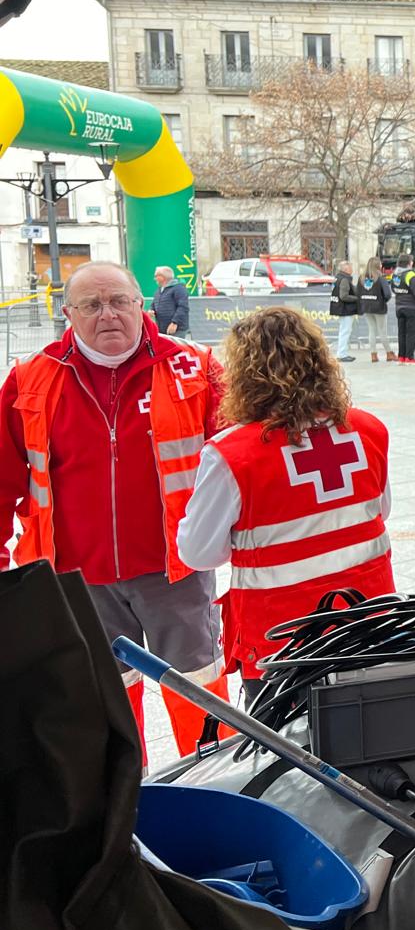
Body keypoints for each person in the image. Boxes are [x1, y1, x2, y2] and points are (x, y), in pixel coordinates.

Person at [0, 261, 230, 759]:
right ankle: (127, 811)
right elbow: (2, 479)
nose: (108, 315)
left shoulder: (197, 367)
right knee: (105, 709)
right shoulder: (30, 379)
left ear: (140, 303)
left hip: (176, 572)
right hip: (78, 581)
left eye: (119, 301)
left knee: (199, 694)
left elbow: (242, 457)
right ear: (68, 314)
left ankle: (215, 795)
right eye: (91, 305)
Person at [176, 306, 395, 702]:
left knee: (287, 753)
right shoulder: (369, 429)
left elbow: (198, 553)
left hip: (282, 641)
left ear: (243, 376)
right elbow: (377, 512)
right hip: (370, 621)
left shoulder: (232, 454)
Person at [358, 257, 396, 363]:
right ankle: (389, 353)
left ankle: (373, 355)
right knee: (382, 331)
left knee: (372, 330)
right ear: (378, 266)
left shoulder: (361, 278)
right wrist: (383, 300)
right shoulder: (380, 278)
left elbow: (358, 293)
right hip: (379, 307)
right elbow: (388, 294)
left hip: (366, 306)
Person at [391, 255, 415, 365]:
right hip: (411, 307)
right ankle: (410, 357)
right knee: (412, 334)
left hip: (399, 307)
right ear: (408, 263)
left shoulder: (395, 274)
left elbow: (393, 289)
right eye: (411, 261)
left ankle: (401, 357)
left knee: (401, 333)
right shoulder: (410, 274)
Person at [329, 260, 359, 362]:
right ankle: (342, 354)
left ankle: (342, 353)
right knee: (345, 331)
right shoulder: (345, 280)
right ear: (346, 269)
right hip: (345, 309)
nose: (352, 269)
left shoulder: (337, 278)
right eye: (350, 267)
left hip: (339, 308)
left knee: (344, 331)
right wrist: (357, 298)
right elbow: (344, 296)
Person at [152, 265, 189, 337]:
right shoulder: (159, 290)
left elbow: (183, 307)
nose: (155, 278)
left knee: (176, 347)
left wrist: (175, 323)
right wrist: (151, 310)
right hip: (162, 329)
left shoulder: (179, 288)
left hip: (176, 329)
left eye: (156, 276)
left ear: (163, 277)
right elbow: (154, 303)